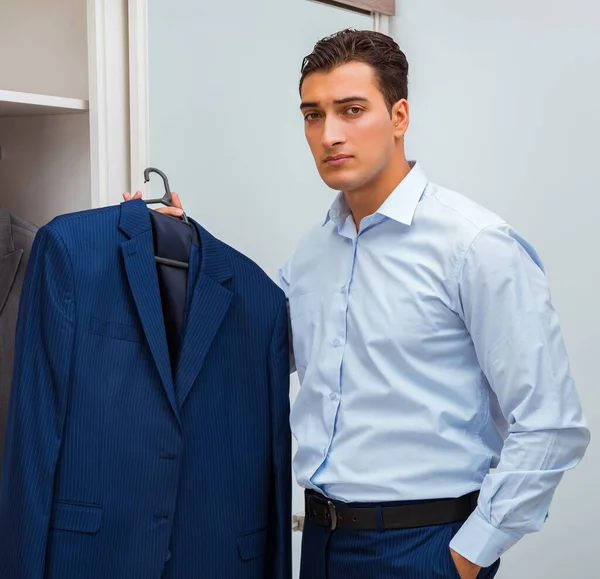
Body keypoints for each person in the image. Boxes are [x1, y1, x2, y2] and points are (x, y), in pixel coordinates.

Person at [125, 28, 590, 579]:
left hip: (425, 548)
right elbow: (254, 349)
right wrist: (182, 251)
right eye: (313, 115)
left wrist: (464, 559)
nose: (329, 134)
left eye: (351, 110)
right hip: (320, 544)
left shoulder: (475, 247)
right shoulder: (313, 252)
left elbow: (550, 424)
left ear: (399, 117)